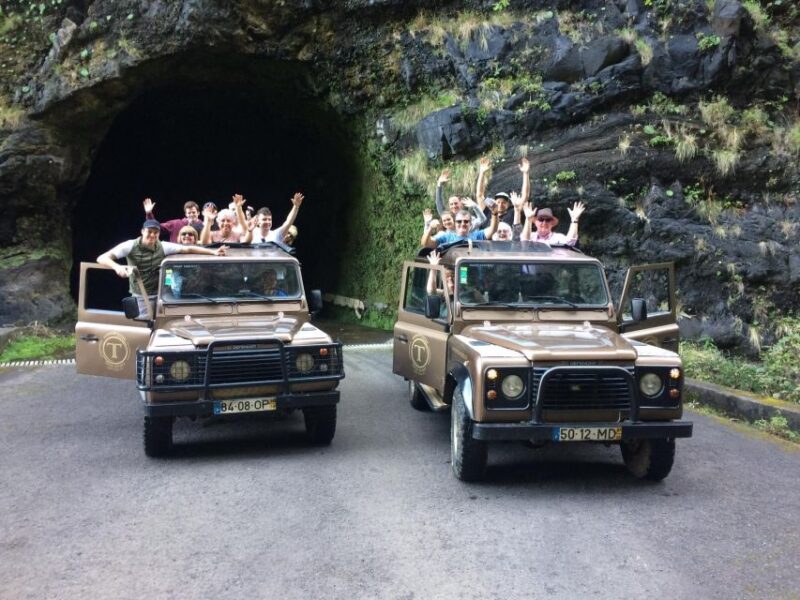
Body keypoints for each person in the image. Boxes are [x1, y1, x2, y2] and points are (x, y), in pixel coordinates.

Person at [97, 219, 227, 313]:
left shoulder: (163, 246)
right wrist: (117, 267)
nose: (153, 235)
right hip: (141, 296)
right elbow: (101, 258)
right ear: (142, 231)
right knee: (144, 327)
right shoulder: (130, 245)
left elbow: (187, 249)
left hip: (163, 296)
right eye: (149, 231)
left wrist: (213, 252)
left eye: (156, 232)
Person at [476, 157, 530, 226]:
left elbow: (525, 197)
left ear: (508, 204)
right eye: (498, 202)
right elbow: (479, 195)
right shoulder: (488, 212)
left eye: (504, 202)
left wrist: (526, 174)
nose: (500, 204)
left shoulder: (513, 213)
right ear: (494, 202)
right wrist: (482, 172)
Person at [421, 208, 498, 248]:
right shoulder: (446, 237)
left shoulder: (477, 235)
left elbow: (493, 229)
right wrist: (429, 227)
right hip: (453, 271)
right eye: (459, 221)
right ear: (455, 223)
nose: (462, 224)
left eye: (466, 221)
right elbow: (425, 243)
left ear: (471, 224)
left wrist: (495, 213)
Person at [521, 201, 586, 245]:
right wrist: (528, 219)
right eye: (541, 219)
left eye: (548, 220)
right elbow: (524, 241)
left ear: (552, 223)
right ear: (535, 222)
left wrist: (574, 220)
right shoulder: (530, 236)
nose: (544, 222)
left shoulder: (558, 237)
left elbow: (570, 242)